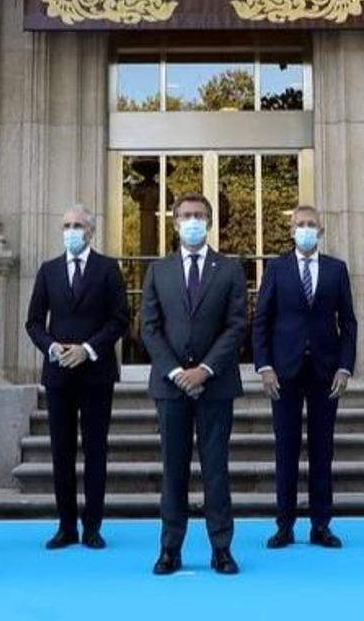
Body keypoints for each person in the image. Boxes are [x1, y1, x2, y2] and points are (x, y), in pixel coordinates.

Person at [141, 193, 249, 576]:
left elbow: (237, 325)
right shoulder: (158, 270)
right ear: (174, 222)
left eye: (199, 215)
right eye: (185, 215)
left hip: (215, 386)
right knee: (174, 470)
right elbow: (149, 328)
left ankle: (221, 548)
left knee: (216, 470)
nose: (192, 221)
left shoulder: (231, 269)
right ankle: (170, 548)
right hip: (170, 388)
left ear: (210, 222)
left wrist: (204, 369)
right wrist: (176, 372)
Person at [252, 204, 358, 549]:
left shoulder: (336, 269)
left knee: (322, 449)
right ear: (292, 230)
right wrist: (264, 365)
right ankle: (284, 525)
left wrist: (345, 366)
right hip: (284, 371)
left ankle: (321, 525)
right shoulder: (276, 268)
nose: (306, 229)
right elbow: (262, 320)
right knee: (286, 449)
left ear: (321, 231)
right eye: (300, 224)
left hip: (326, 372)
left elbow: (349, 323)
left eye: (312, 224)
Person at [24, 204, 129, 550]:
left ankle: (92, 526)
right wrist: (53, 348)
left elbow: (119, 320)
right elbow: (35, 322)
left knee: (95, 450)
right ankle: (66, 525)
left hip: (96, 373)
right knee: (61, 451)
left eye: (78, 225)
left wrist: (87, 348)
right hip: (58, 373)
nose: (71, 230)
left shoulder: (108, 268)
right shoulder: (49, 270)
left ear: (91, 231)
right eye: (66, 224)